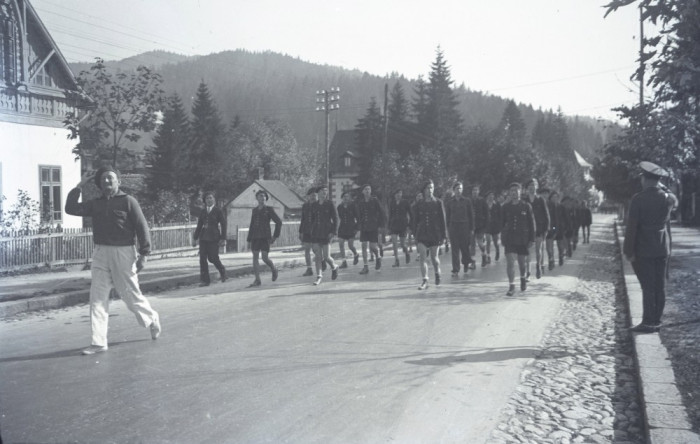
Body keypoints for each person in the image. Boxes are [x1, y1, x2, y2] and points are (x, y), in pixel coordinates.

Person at [65, 167, 161, 355]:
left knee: (130, 295)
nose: (107, 182)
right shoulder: (95, 204)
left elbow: (142, 227)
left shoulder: (128, 201)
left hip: (124, 252)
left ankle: (151, 318)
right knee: (97, 297)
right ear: (100, 185)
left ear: (119, 181)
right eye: (103, 180)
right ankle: (99, 342)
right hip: (101, 252)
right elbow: (70, 209)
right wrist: (79, 185)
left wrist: (144, 254)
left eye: (111, 178)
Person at [624, 161, 678, 333]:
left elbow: (632, 227)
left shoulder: (638, 199)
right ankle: (656, 320)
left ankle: (647, 322)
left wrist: (628, 250)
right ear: (658, 180)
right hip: (662, 246)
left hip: (643, 247)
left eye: (642, 177)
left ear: (645, 179)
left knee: (647, 286)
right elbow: (673, 200)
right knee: (659, 285)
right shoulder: (667, 199)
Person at [501, 182, 535, 296]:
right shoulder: (506, 207)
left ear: (521, 192)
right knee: (510, 262)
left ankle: (522, 277)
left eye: (516, 190)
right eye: (512, 191)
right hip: (510, 238)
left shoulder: (526, 206)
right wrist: (502, 237)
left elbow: (531, 224)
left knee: (522, 263)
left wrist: (532, 239)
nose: (514, 192)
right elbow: (501, 222)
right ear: (509, 193)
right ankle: (511, 285)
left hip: (522, 238)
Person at [413, 180, 447, 290]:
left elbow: (442, 220)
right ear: (424, 190)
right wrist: (415, 235)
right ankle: (425, 280)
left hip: (434, 233)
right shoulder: (419, 204)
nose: (430, 190)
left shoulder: (438, 202)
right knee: (423, 257)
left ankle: (437, 272)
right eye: (428, 188)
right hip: (422, 233)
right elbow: (415, 221)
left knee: (434, 258)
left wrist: (444, 236)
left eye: (432, 187)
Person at [246, 190, 282, 287]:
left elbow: (278, 222)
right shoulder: (254, 210)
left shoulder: (269, 209)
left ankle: (274, 268)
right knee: (255, 257)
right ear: (257, 198)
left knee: (265, 258)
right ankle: (257, 280)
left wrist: (275, 236)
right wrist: (249, 239)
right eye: (260, 196)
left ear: (266, 198)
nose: (262, 198)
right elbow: (252, 225)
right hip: (255, 236)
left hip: (265, 236)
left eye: (264, 196)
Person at [193, 191, 227, 287]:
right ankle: (205, 280)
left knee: (213, 258)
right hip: (203, 238)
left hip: (214, 237)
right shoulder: (203, 212)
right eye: (207, 198)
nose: (209, 200)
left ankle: (222, 270)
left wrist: (223, 238)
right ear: (204, 200)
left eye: (211, 198)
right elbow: (199, 225)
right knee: (202, 259)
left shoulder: (218, 211)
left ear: (214, 200)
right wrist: (195, 238)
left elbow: (224, 225)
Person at [309, 184, 340, 285]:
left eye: (326, 191)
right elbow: (311, 220)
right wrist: (310, 231)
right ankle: (319, 276)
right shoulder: (314, 205)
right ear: (318, 193)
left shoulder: (330, 204)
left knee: (326, 257)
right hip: (316, 233)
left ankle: (334, 267)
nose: (324, 193)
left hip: (327, 232)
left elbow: (336, 219)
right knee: (318, 256)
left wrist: (334, 232)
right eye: (322, 191)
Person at [444, 181, 474, 277]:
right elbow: (447, 217)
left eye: (461, 188)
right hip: (454, 227)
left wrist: (472, 228)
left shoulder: (467, 201)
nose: (459, 190)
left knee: (465, 247)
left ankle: (466, 263)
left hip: (464, 226)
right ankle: (455, 270)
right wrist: (447, 230)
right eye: (457, 189)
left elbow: (471, 215)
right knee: (455, 249)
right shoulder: (449, 203)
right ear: (454, 190)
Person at [522, 179, 550, 279]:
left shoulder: (540, 200)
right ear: (527, 188)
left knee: (538, 250)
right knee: (527, 251)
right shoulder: (524, 200)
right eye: (530, 185)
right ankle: (528, 272)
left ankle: (538, 266)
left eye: (534, 185)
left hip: (539, 229)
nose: (531, 187)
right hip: (527, 229)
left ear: (536, 187)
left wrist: (546, 229)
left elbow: (547, 215)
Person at [356, 184, 386, 274]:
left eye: (369, 189)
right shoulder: (360, 203)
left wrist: (381, 226)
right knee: (363, 246)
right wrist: (358, 227)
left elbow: (382, 213)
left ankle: (378, 257)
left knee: (373, 247)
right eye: (365, 189)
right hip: (364, 227)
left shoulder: (375, 201)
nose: (367, 191)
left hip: (373, 226)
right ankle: (365, 267)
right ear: (362, 192)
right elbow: (359, 216)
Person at [388, 189, 412, 267]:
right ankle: (396, 260)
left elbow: (411, 213)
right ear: (394, 195)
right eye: (397, 193)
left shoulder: (405, 202)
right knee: (394, 243)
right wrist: (389, 226)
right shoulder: (392, 203)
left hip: (403, 225)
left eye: (400, 193)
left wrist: (410, 225)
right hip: (393, 225)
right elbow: (390, 215)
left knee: (402, 244)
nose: (398, 195)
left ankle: (407, 253)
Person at [337, 191, 360, 268]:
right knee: (341, 244)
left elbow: (357, 217)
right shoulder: (339, 207)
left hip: (351, 228)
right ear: (342, 198)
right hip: (342, 228)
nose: (346, 198)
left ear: (349, 198)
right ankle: (344, 262)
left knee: (350, 246)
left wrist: (356, 228)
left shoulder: (353, 206)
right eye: (344, 197)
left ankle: (356, 254)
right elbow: (340, 217)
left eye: (347, 197)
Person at [298, 187, 317, 277]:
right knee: (307, 250)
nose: (313, 197)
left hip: (317, 231)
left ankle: (322, 261)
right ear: (308, 196)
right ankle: (309, 268)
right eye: (312, 195)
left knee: (315, 249)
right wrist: (300, 231)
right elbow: (303, 219)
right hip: (306, 230)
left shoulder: (319, 205)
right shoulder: (305, 206)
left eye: (315, 195)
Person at [470, 185, 489, 268]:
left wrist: (486, 225)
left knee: (480, 242)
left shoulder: (482, 201)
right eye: (473, 190)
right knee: (472, 244)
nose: (475, 192)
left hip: (480, 225)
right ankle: (473, 262)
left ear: (479, 191)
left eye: (476, 190)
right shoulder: (468, 200)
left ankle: (484, 254)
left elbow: (487, 214)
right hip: (471, 225)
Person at [485, 191, 502, 262]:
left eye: (492, 195)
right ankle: (488, 256)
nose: (491, 197)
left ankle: (497, 251)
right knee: (488, 241)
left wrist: (500, 225)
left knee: (495, 242)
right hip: (487, 226)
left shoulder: (497, 205)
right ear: (487, 196)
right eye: (489, 195)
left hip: (495, 226)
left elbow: (500, 215)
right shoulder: (485, 205)